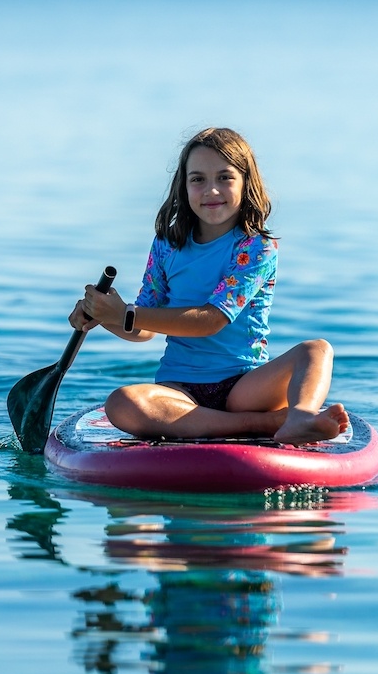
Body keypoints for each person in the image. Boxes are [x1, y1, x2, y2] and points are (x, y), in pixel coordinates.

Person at [69, 127, 349, 445]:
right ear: (183, 186)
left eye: (225, 178)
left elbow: (212, 320)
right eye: (198, 179)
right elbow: (144, 328)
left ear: (246, 184)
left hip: (245, 386)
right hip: (180, 391)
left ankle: (299, 415)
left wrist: (125, 314)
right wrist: (105, 315)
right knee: (122, 403)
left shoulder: (255, 245)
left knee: (317, 350)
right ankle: (262, 424)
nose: (211, 191)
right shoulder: (167, 244)